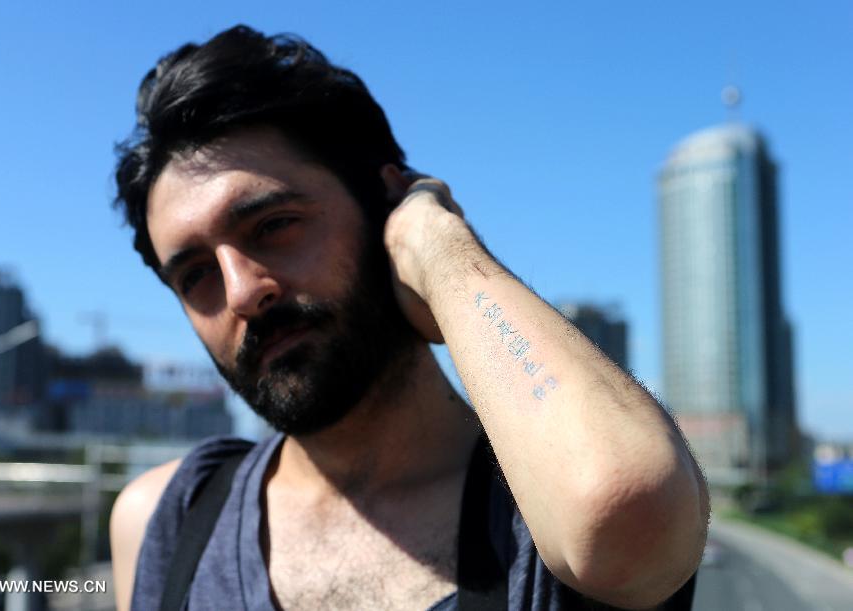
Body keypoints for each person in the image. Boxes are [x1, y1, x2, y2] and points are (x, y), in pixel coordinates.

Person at [109, 25, 709, 611]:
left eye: (273, 226)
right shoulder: (169, 517)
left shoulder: (536, 507)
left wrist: (439, 247)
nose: (241, 293)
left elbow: (629, 513)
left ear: (387, 206)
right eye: (195, 276)